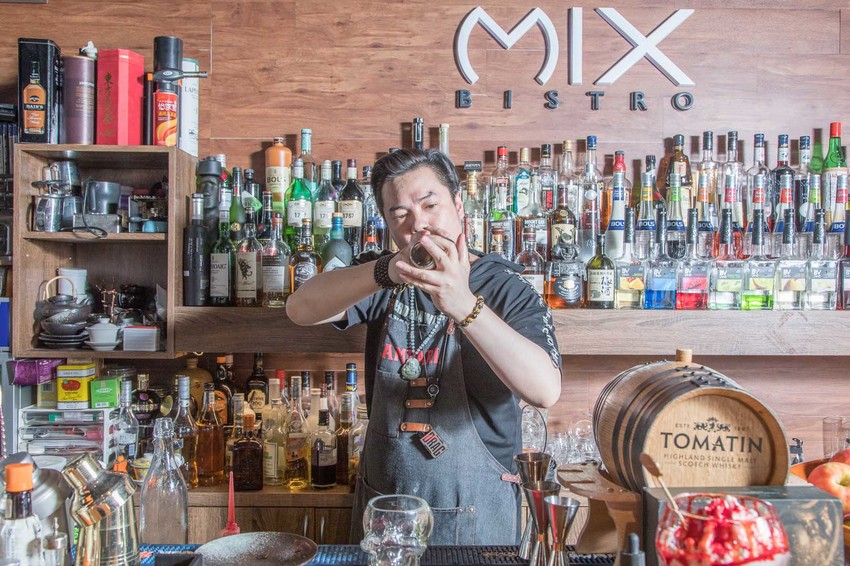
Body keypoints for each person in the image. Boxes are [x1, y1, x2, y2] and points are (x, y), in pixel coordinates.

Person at [286, 148, 562, 545]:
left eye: (430, 205)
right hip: (385, 508)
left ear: (458, 204)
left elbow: (544, 390)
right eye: (400, 214)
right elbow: (300, 309)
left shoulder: (505, 287)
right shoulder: (383, 278)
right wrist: (388, 270)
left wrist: (464, 306)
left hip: (477, 513)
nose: (419, 224)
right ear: (387, 223)